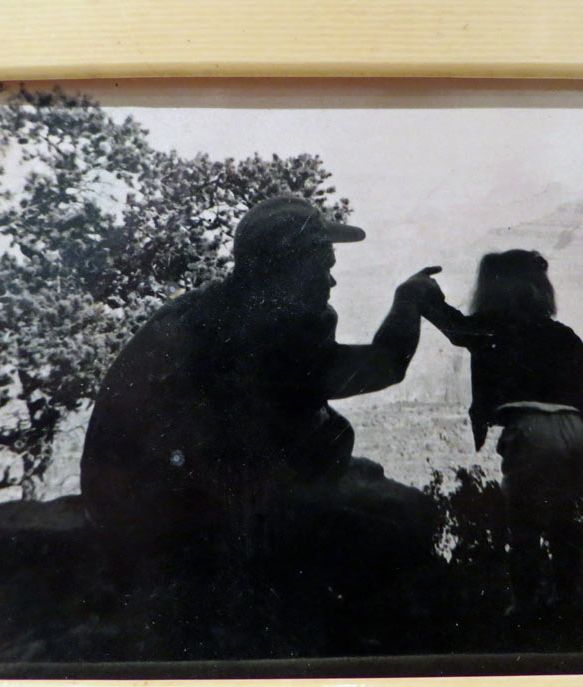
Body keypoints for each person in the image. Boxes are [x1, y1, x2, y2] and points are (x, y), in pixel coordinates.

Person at [80, 196, 445, 570]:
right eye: (322, 267)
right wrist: (409, 300)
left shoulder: (219, 309)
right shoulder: (257, 332)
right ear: (287, 268)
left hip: (147, 503)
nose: (331, 280)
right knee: (394, 528)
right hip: (170, 528)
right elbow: (383, 366)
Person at [422, 249, 583, 610]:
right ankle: (565, 599)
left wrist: (424, 293)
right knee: (563, 523)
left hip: (528, 429)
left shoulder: (490, 328)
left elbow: (453, 326)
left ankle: (524, 604)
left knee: (523, 525)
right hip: (573, 430)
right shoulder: (559, 333)